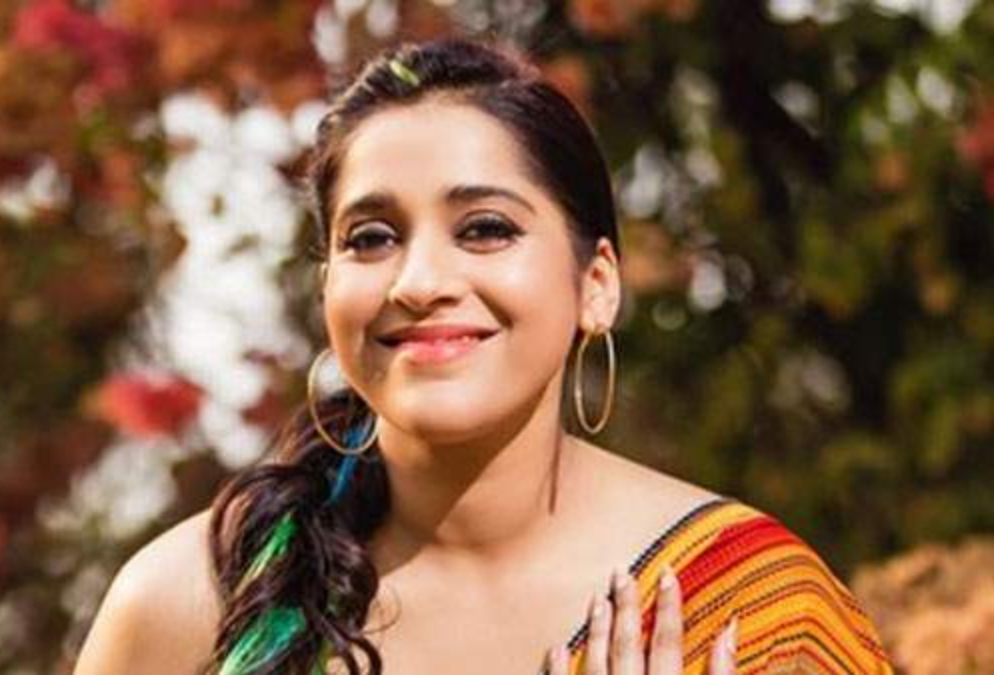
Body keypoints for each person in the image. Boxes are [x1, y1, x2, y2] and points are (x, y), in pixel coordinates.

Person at [74, 37, 893, 675]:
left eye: (486, 229)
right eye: (372, 237)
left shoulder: (745, 609)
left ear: (596, 284)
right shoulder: (190, 608)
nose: (420, 281)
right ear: (328, 288)